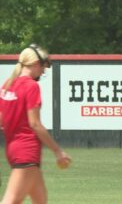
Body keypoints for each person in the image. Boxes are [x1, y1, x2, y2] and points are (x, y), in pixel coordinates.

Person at [0, 44, 72, 204]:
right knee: (11, 200)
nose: (44, 71)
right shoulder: (31, 86)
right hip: (26, 151)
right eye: (43, 66)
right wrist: (57, 151)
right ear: (35, 64)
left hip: (13, 150)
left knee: (40, 200)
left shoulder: (8, 85)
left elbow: (1, 120)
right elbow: (35, 124)